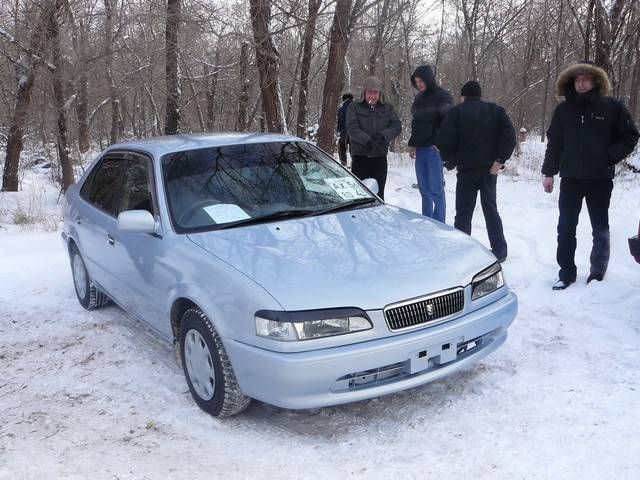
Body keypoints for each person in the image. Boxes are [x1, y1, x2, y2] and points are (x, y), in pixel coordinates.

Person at [542, 62, 639, 290]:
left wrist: (608, 156)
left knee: (600, 226)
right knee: (565, 227)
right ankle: (566, 273)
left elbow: (630, 136)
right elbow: (555, 142)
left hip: (600, 179)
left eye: (586, 79)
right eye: (577, 79)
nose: (581, 83)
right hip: (571, 178)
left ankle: (597, 272)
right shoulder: (563, 110)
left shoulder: (612, 108)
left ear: (595, 82)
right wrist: (548, 172)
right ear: (571, 83)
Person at [436, 80, 516, 263]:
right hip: (489, 171)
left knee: (463, 212)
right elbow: (510, 136)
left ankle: (462, 250)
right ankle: (500, 250)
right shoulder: (496, 110)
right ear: (480, 95)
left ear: (463, 96)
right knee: (491, 210)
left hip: (466, 171)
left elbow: (444, 140)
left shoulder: (456, 113)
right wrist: (499, 160)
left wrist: (451, 160)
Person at [408, 65, 453, 222]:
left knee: (436, 190)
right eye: (416, 81)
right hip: (420, 148)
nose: (419, 84)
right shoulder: (419, 98)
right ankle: (426, 222)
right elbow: (416, 123)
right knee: (424, 189)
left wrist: (439, 144)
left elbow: (448, 123)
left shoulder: (442, 96)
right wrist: (413, 144)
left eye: (421, 80)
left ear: (428, 79)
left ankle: (439, 223)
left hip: (434, 150)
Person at [346, 76, 401, 200]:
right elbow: (352, 128)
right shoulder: (354, 107)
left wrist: (383, 136)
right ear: (364, 93)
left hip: (379, 158)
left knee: (379, 195)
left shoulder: (387, 108)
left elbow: (396, 126)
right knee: (360, 195)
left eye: (375, 93)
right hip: (360, 157)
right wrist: (367, 140)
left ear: (380, 93)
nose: (372, 96)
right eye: (370, 93)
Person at [337, 93, 354, 167]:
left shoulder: (342, 108)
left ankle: (343, 163)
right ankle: (354, 162)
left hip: (344, 131)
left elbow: (340, 121)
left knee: (342, 147)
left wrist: (339, 130)